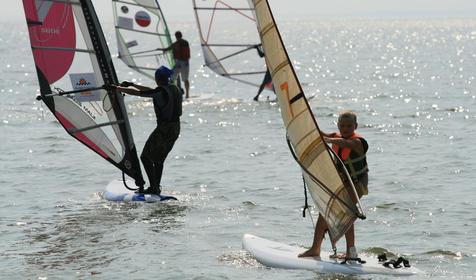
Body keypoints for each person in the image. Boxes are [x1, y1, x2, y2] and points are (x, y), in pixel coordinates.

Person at [299, 110, 369, 259]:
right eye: (342, 125)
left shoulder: (357, 142)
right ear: (338, 125)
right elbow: (319, 133)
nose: (345, 129)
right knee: (324, 211)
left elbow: (345, 143)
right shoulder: (335, 136)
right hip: (342, 183)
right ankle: (315, 248)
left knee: (347, 211)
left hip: (357, 184)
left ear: (355, 126)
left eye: (349, 126)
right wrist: (305, 123)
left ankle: (351, 251)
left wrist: (328, 140)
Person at [115, 66, 182, 195]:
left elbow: (141, 94)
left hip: (164, 129)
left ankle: (154, 187)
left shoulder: (159, 92)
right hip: (175, 128)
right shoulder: (174, 89)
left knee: (145, 157)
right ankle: (156, 187)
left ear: (157, 79)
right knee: (159, 159)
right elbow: (151, 91)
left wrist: (117, 89)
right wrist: (132, 84)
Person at [159, 31, 190, 99]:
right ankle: (185, 94)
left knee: (177, 79)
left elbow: (167, 49)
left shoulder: (176, 44)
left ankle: (186, 94)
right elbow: (167, 49)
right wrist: (162, 50)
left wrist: (162, 50)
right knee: (178, 78)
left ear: (176, 36)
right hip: (184, 63)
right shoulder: (184, 42)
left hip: (181, 63)